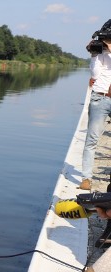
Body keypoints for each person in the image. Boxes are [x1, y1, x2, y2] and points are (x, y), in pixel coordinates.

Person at [80, 24, 111, 191]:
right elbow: (95, 74)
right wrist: (94, 55)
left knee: (93, 140)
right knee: (91, 140)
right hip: (100, 97)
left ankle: (91, 179)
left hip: (103, 97)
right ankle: (86, 179)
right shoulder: (100, 53)